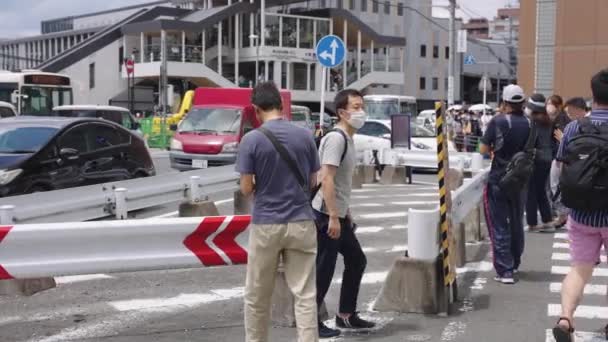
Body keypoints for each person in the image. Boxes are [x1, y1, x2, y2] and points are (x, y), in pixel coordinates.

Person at [237, 82, 320, 342]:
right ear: (281, 105)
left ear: (255, 109)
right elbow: (314, 180)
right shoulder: (305, 135)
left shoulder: (251, 140)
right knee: (305, 294)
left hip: (266, 224)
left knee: (257, 295)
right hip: (302, 222)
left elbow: (246, 187)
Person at [313, 89, 375, 338]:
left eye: (362, 106)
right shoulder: (337, 138)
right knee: (324, 269)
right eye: (356, 107)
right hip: (326, 214)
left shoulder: (349, 138)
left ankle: (346, 315)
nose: (361, 112)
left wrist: (345, 211)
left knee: (357, 259)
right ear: (342, 112)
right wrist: (333, 216)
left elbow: (338, 182)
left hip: (338, 212)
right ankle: (311, 322)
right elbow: (325, 178)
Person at [552, 69, 608, 342]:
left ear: (593, 95)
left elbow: (560, 168)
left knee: (579, 269)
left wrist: (561, 206)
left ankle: (566, 319)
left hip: (582, 213)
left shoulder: (575, 127)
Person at [480, 84, 530, 284]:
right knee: (517, 223)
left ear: (505, 103)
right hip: (521, 181)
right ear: (522, 103)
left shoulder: (498, 121)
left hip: (499, 179)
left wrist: (493, 149)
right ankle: (515, 263)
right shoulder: (529, 123)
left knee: (499, 224)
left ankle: (505, 270)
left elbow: (482, 149)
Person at [524, 94, 554, 232]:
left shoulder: (533, 122)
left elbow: (531, 142)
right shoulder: (548, 121)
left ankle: (532, 223)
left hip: (536, 159)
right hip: (547, 160)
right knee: (540, 190)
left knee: (531, 191)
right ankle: (547, 221)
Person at [547, 95, 572, 228]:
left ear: (557, 105)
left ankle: (563, 214)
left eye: (550, 104)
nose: (548, 106)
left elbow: (560, 141)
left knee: (555, 185)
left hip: (560, 158)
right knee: (556, 185)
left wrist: (559, 159)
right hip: (559, 157)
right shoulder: (559, 118)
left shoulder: (561, 120)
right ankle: (563, 214)